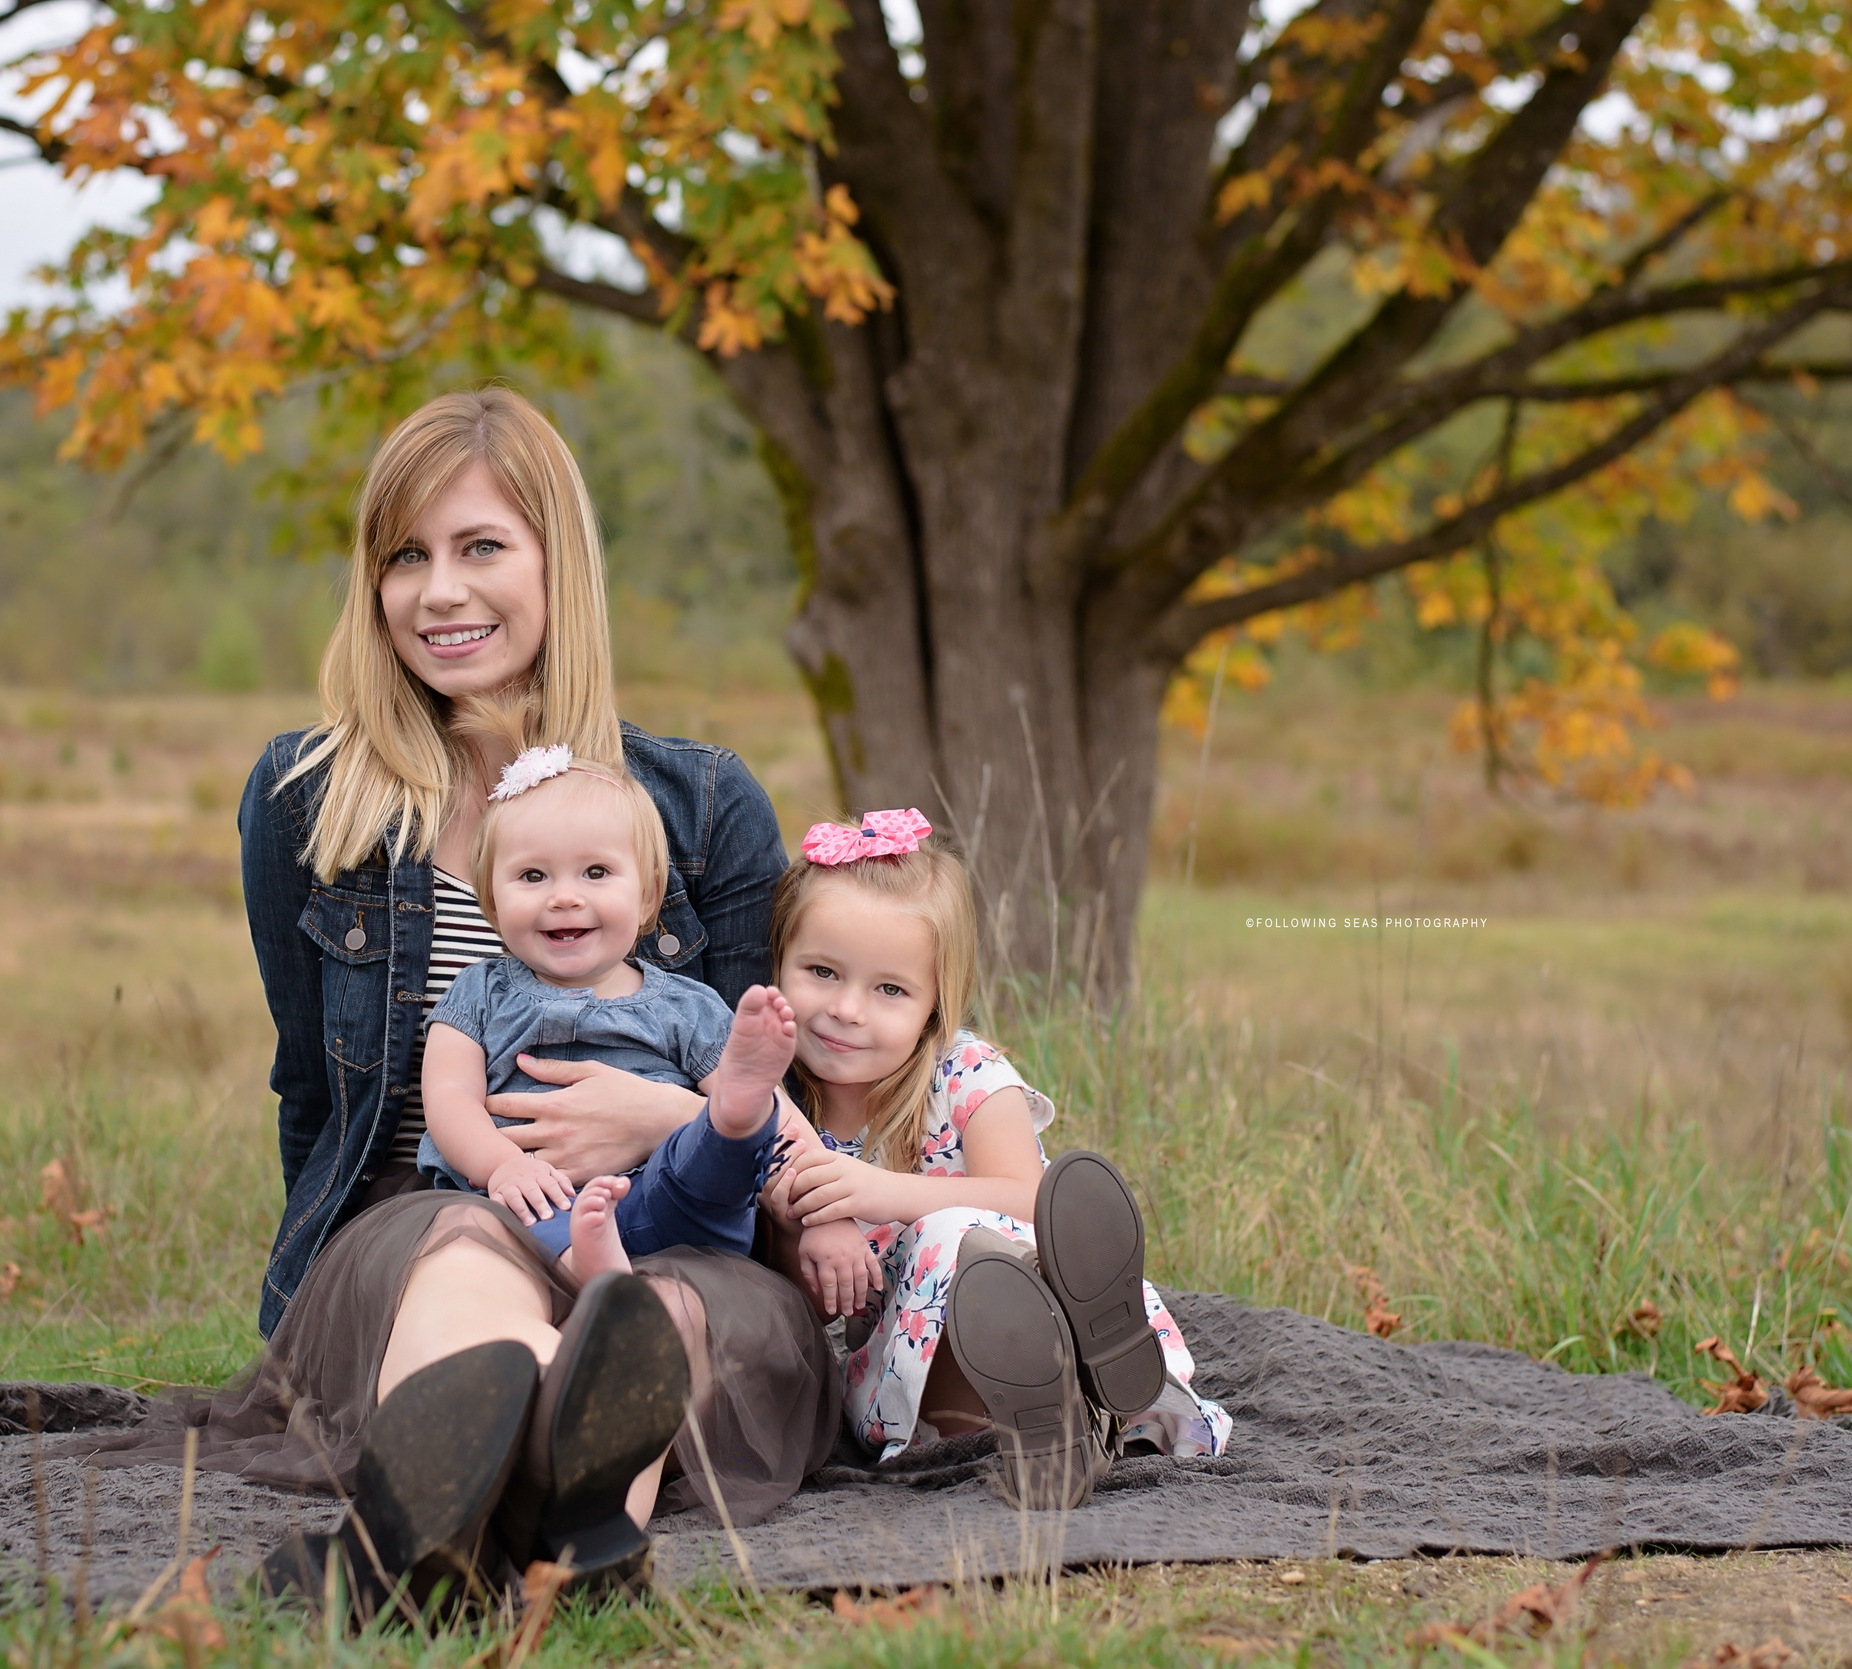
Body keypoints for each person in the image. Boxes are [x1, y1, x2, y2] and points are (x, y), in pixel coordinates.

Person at [75, 388, 838, 1609]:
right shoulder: (310, 796)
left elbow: (769, 1084)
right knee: (464, 1271)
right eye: (405, 557)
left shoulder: (700, 806)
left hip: (682, 1218)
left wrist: (658, 1130)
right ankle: (546, 1520)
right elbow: (312, 1093)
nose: (440, 592)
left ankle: (452, 1538)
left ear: (557, 562)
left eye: (481, 547)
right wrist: (318, 1301)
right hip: (430, 1206)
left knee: (658, 1317)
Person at [758, 810, 1233, 1507]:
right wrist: (799, 1224)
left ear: (935, 1004)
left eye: (889, 989)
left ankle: (1087, 1341)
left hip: (1036, 1321)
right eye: (822, 972)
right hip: (904, 1381)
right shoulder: (774, 1106)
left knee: (967, 1233)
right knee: (950, 1242)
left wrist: (875, 1190)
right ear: (778, 966)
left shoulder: (966, 1073)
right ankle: (1050, 1430)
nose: (847, 1009)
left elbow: (1028, 1195)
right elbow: (796, 1308)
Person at [412, 720, 851, 1281]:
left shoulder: (687, 1008)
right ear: (492, 903)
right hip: (537, 1195)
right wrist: (500, 1165)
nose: (565, 897)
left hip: (665, 1189)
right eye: (532, 876)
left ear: (646, 896)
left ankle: (734, 1116)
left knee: (710, 1159)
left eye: (596, 872)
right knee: (501, 1217)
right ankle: (590, 1265)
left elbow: (792, 1128)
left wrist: (827, 1220)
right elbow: (449, 1098)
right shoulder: (479, 994)